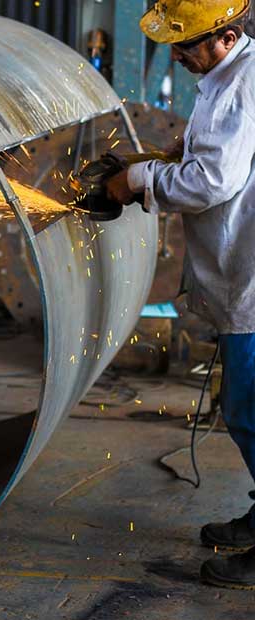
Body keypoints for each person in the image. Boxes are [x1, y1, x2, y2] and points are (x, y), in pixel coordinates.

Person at [106, 0, 255, 589]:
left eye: (186, 43)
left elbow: (214, 181)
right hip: (240, 268)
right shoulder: (227, 75)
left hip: (251, 278)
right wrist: (174, 157)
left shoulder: (240, 84)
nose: (177, 54)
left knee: (251, 411)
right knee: (246, 410)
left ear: (224, 35)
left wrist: (137, 181)